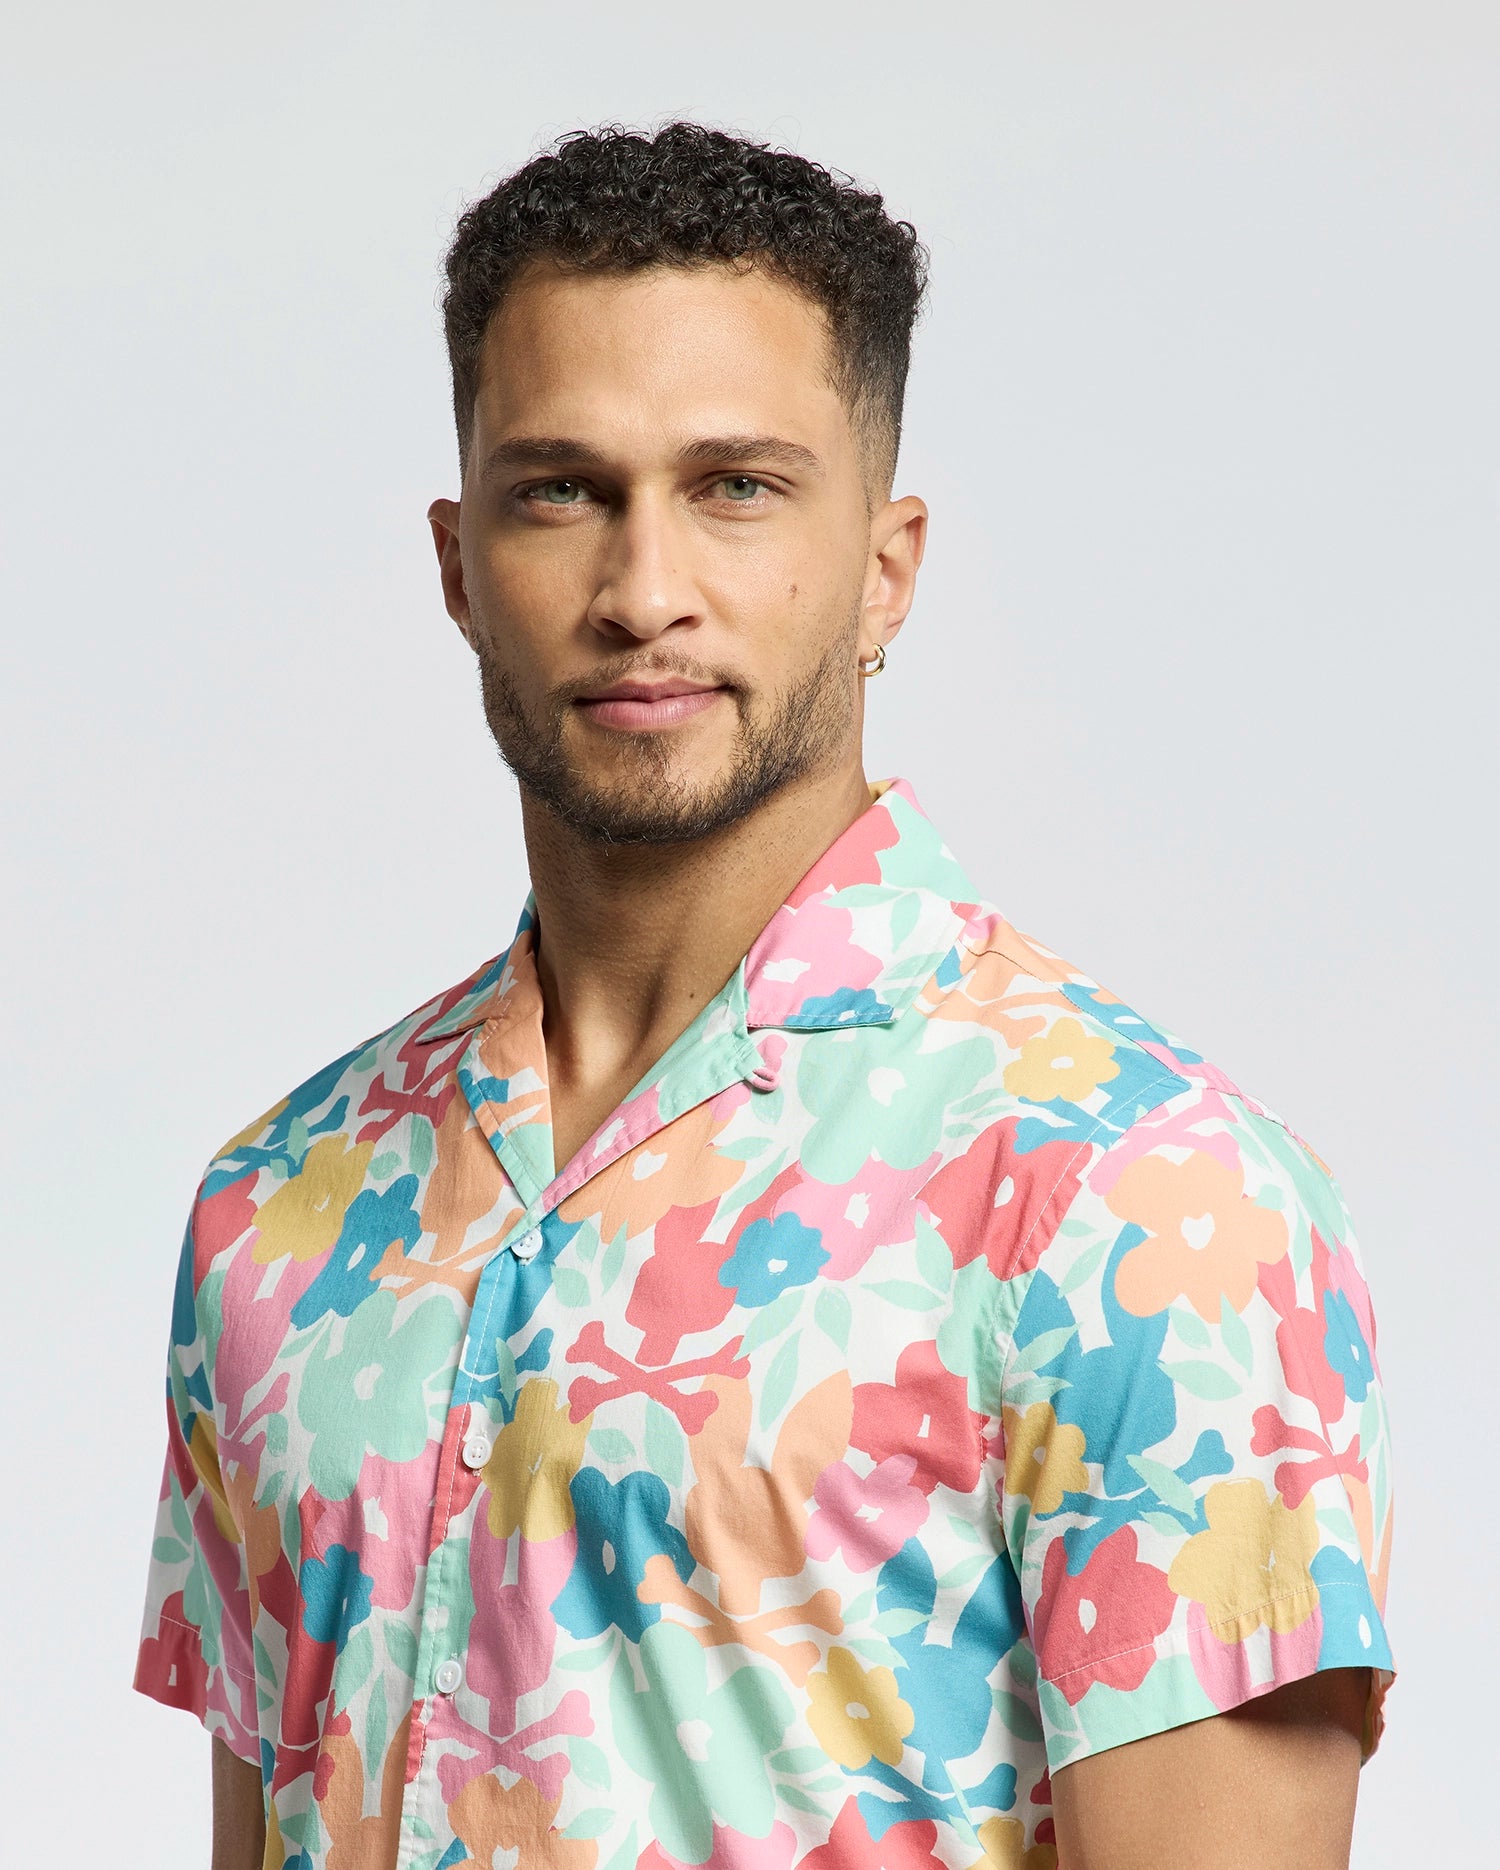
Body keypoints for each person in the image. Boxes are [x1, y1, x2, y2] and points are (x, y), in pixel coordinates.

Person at [134, 123, 1394, 1870]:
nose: (645, 590)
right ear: (455, 563)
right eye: (561, 489)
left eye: (736, 486)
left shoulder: (1142, 1194)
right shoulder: (275, 1211)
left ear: (886, 564)